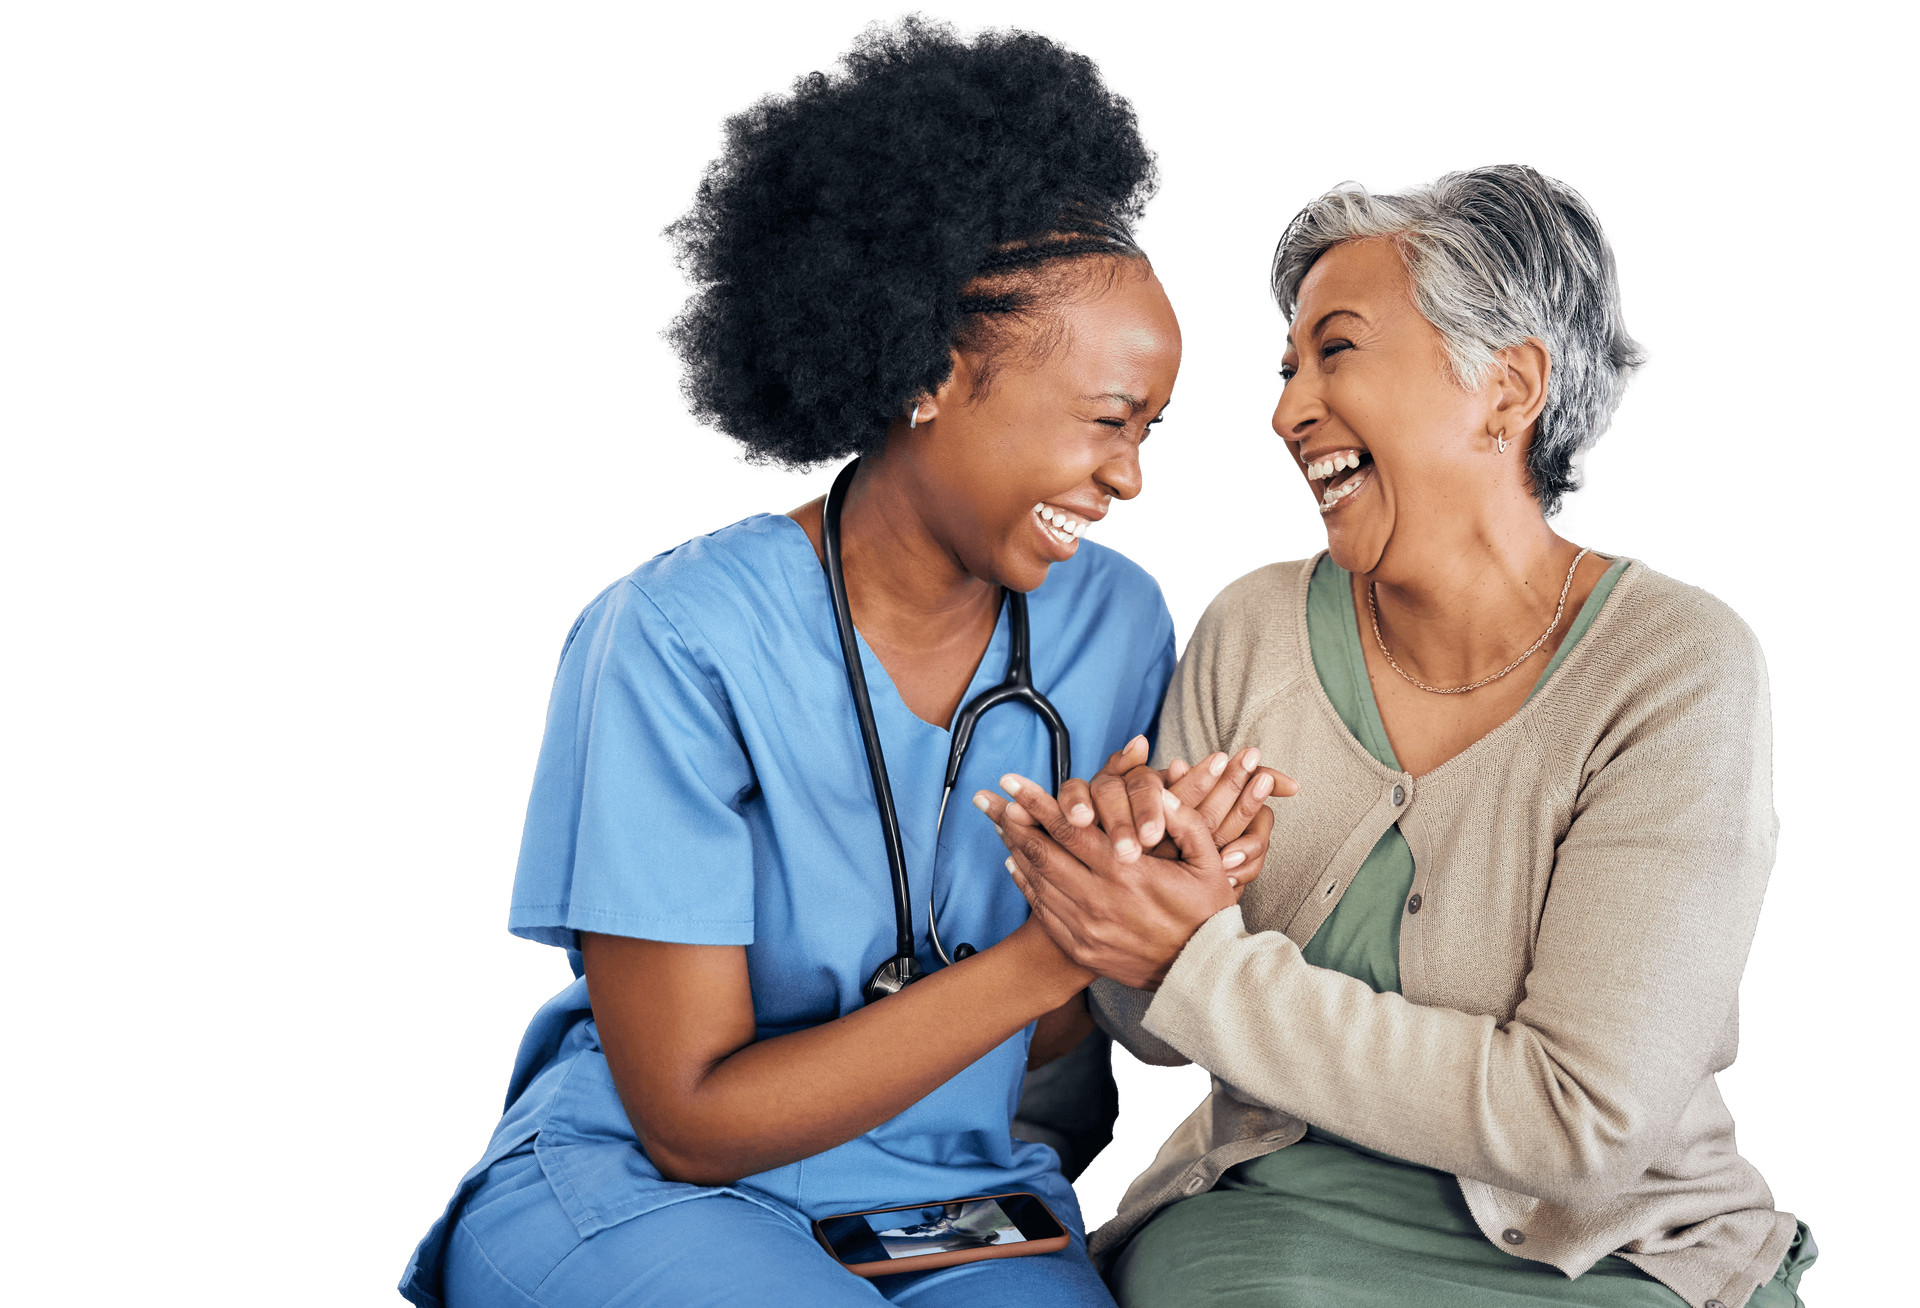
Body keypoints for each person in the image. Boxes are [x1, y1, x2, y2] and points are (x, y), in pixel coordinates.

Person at [394, 11, 1294, 1307]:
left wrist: (1129, 898)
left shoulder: (1118, 622)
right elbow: (690, 1121)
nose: (1132, 479)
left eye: (1150, 432)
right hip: (662, 1186)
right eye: (1107, 423)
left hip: (952, 1194)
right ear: (931, 370)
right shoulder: (673, 639)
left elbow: (1044, 1050)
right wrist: (1054, 947)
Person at [977, 163, 1819, 1307]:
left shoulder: (1674, 668)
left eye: (1338, 351)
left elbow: (1582, 1123)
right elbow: (1158, 1035)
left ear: (1509, 386)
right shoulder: (1253, 625)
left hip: (1614, 1249)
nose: (1285, 408)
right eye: (1285, 369)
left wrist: (1193, 954)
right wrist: (1135, 895)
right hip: (1277, 1227)